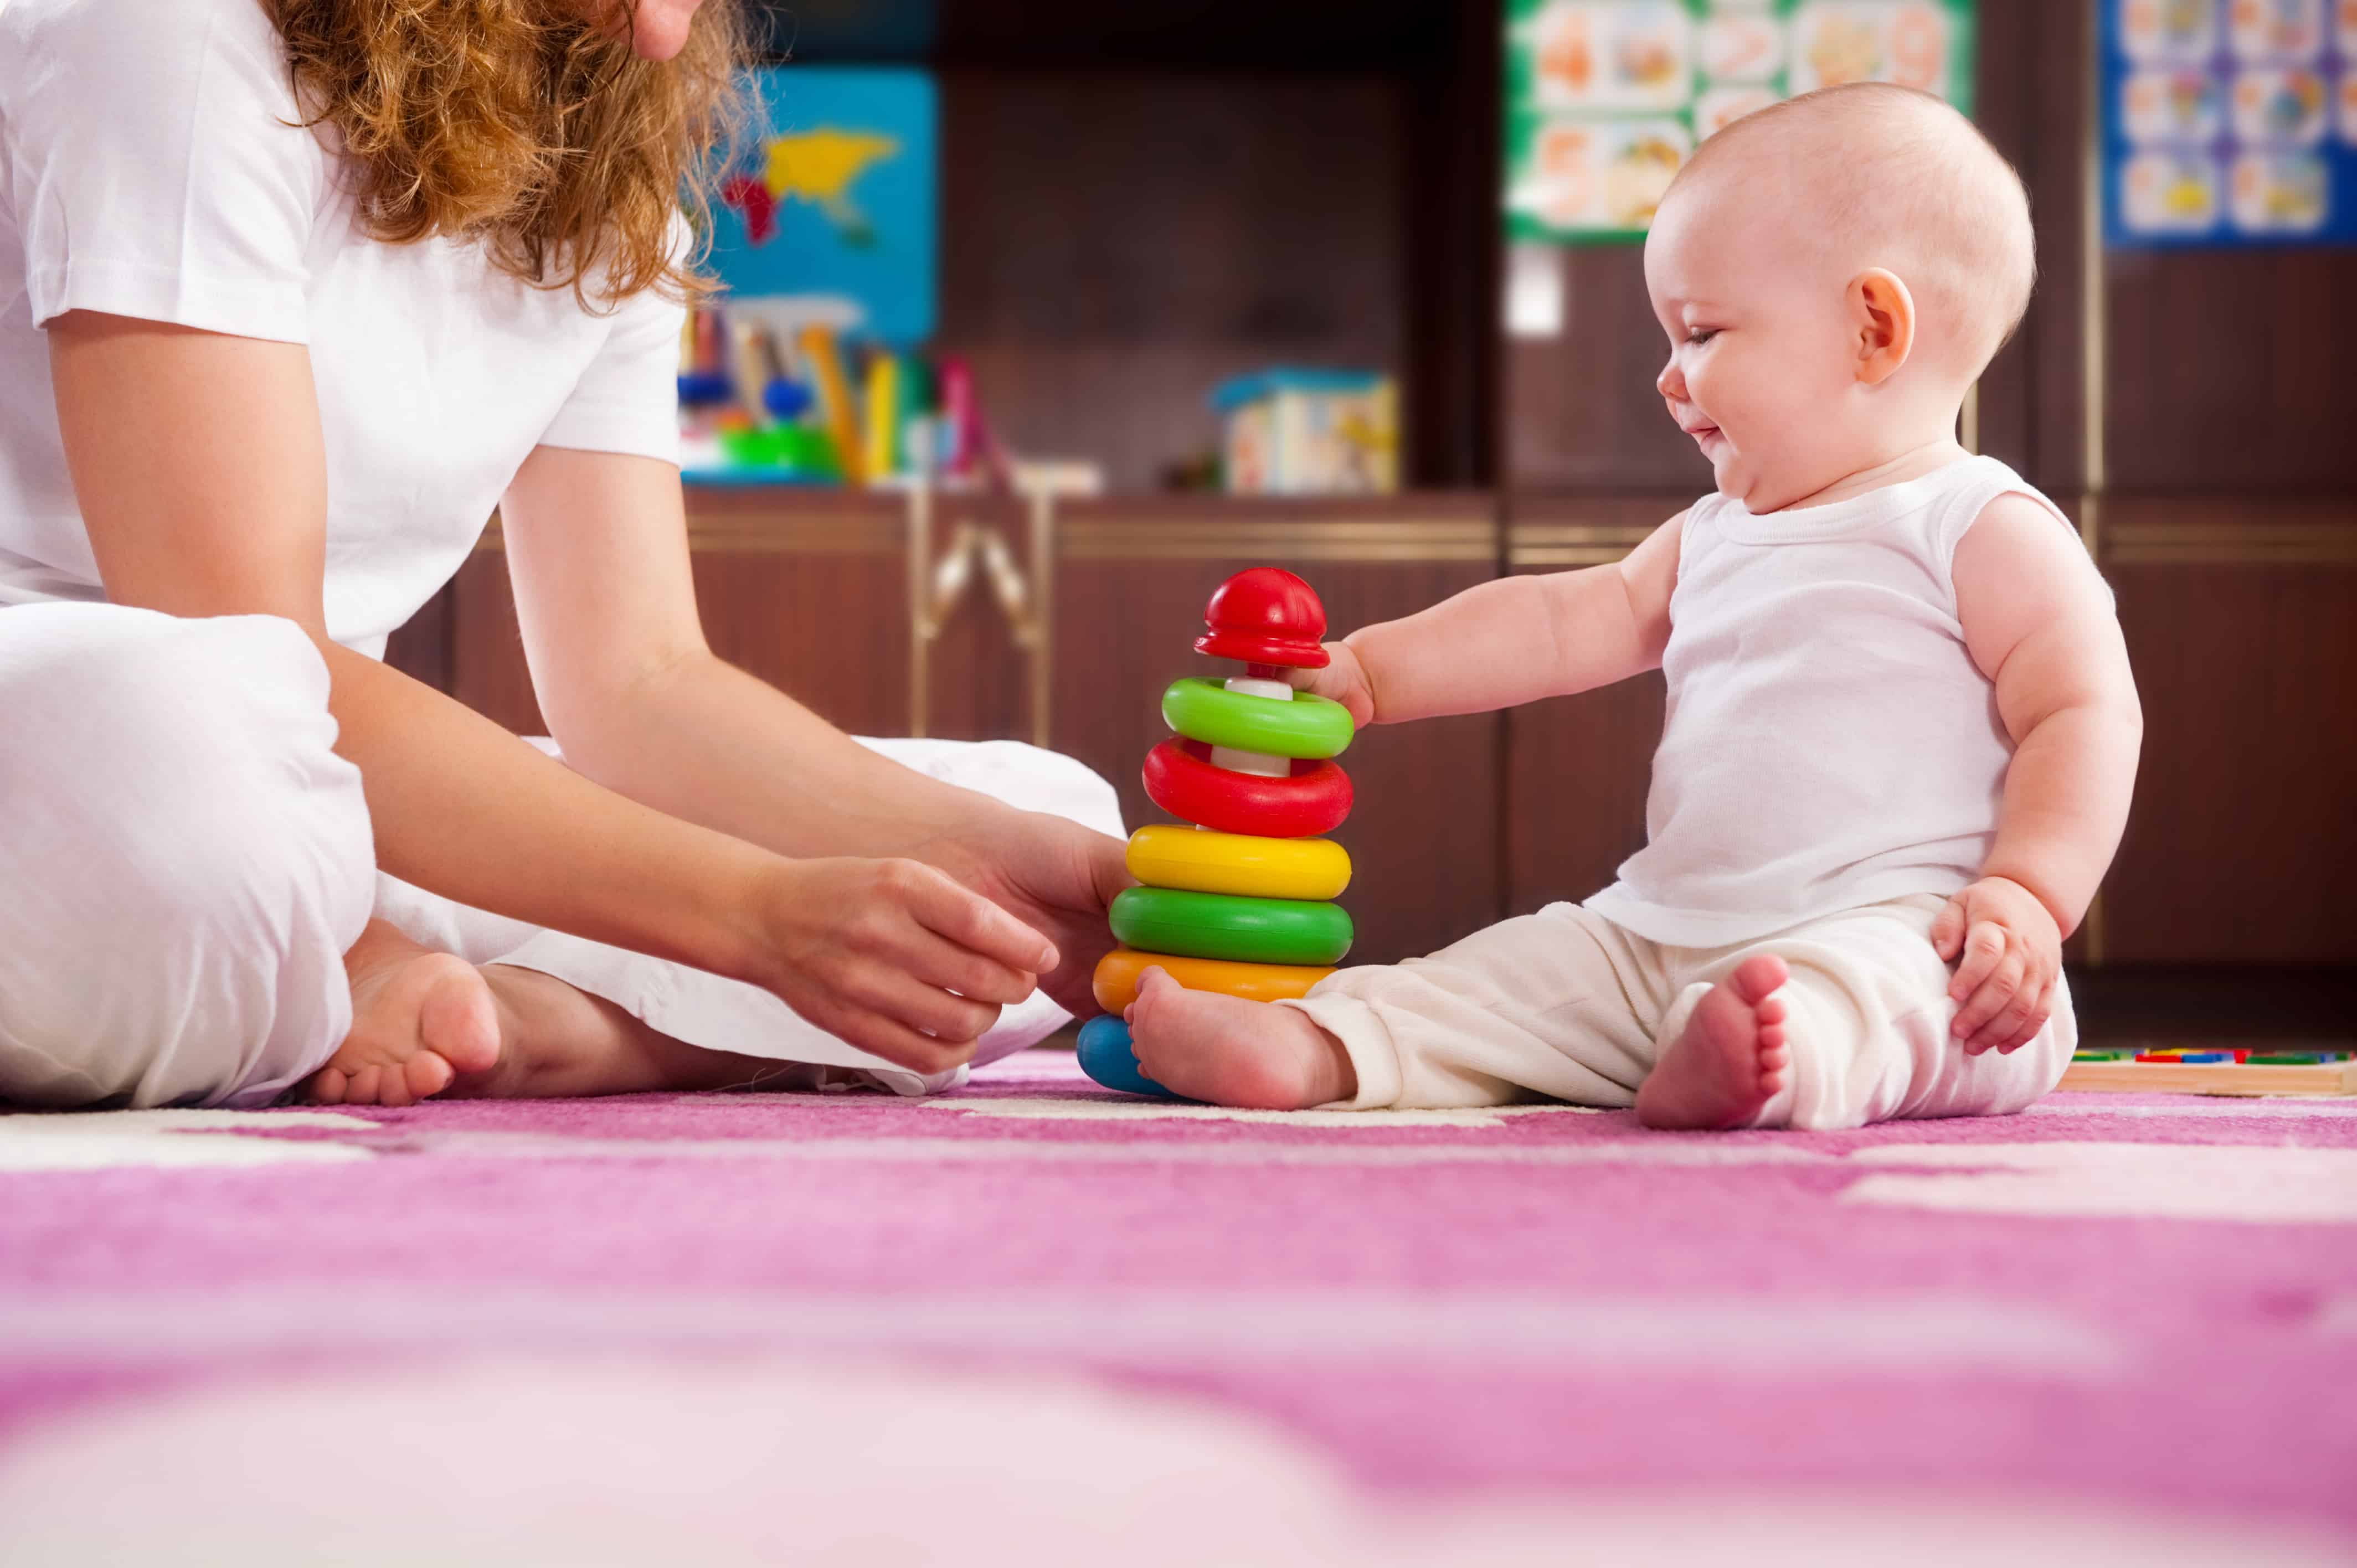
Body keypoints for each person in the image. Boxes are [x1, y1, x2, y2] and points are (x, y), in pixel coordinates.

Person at [0, 0, 1128, 1111]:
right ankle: (387, 961)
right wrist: (753, 913)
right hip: (112, 765)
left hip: (322, 800)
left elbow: (640, 687)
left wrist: (982, 853)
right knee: (189, 738)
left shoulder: (606, 189)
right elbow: (245, 640)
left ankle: (548, 1023)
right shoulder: (159, 31)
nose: (671, 25)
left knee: (1032, 826)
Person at [1124, 85, 2143, 1131]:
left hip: (1918, 933)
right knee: (1508, 973)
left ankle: (1769, 1065)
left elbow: (2084, 713)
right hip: (1660, 931)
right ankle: (1322, 1047)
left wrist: (2028, 892)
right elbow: (1563, 622)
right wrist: (1377, 674)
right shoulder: (1712, 534)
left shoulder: (1979, 525)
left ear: (1872, 330)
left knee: (1877, 1001)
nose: (1668, 378)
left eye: (1700, 334)